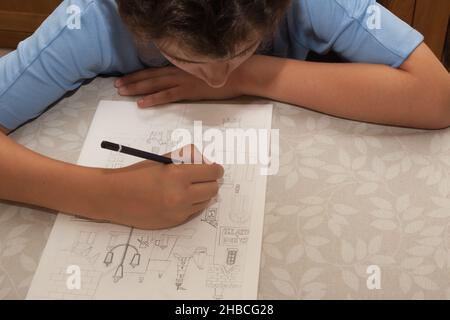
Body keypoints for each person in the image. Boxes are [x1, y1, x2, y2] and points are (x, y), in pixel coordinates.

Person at [0, 0, 449, 230]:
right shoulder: (93, 17)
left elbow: (436, 95)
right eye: (185, 58)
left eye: (240, 51)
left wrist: (251, 75)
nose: (215, 81)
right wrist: (104, 196)